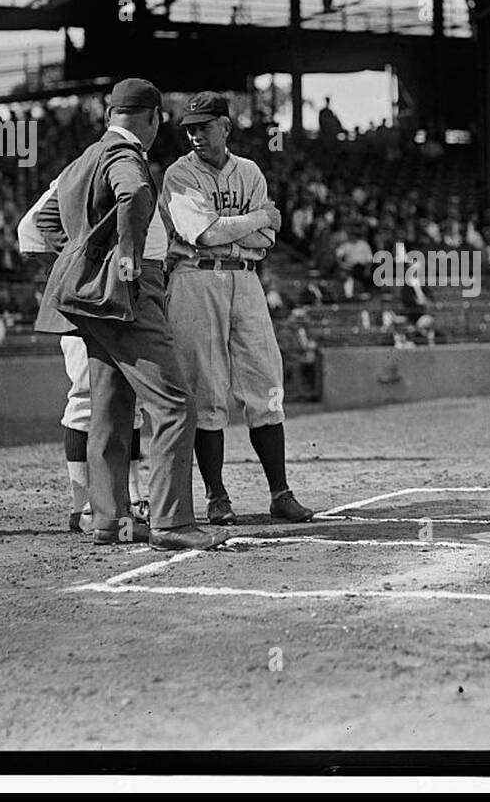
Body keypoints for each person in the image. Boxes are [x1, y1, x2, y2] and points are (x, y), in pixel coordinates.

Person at [34, 78, 225, 551]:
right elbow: (135, 194)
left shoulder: (83, 159)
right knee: (174, 404)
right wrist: (124, 255)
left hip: (92, 302)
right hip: (128, 295)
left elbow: (43, 222)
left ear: (108, 115)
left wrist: (84, 259)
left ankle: (110, 520)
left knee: (111, 406)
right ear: (154, 118)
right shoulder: (125, 156)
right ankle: (172, 523)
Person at [159, 91, 314, 525]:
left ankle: (280, 493)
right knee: (206, 390)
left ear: (226, 127)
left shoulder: (249, 171)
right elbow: (205, 235)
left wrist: (239, 230)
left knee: (266, 380)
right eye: (190, 128)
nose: (195, 135)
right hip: (195, 277)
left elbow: (264, 244)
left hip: (246, 278)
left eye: (204, 127)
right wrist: (261, 218)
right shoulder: (178, 174)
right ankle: (217, 497)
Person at [19, 176, 157, 534]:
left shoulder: (131, 174)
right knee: (84, 397)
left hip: (122, 299)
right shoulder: (75, 177)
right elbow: (30, 227)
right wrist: (80, 256)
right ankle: (81, 506)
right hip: (84, 299)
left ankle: (132, 496)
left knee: (130, 399)